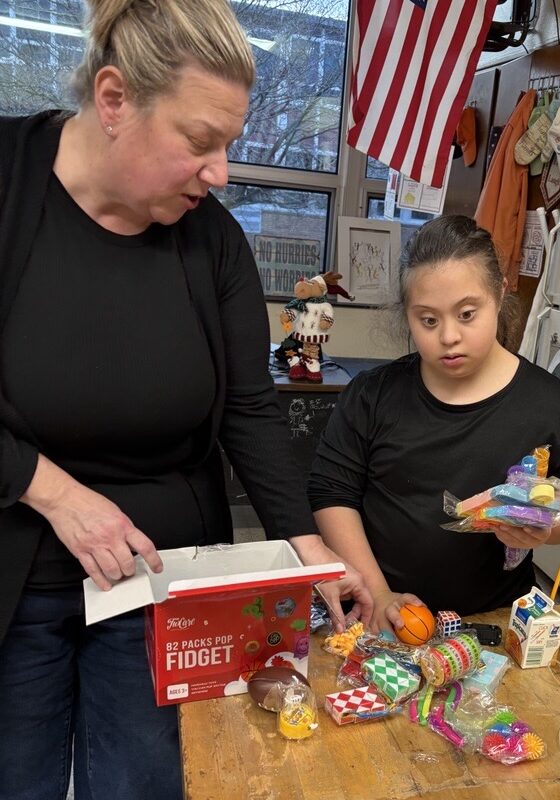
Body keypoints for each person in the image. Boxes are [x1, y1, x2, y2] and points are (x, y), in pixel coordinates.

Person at [0, 2, 371, 798]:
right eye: (200, 142)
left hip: (162, 581)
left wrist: (304, 543)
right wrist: (53, 492)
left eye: (229, 144)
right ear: (113, 99)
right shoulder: (6, 182)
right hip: (14, 571)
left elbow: (249, 410)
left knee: (145, 782)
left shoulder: (213, 241)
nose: (221, 172)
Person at [308, 215, 560, 633]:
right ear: (407, 314)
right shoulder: (373, 395)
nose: (448, 336)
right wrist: (378, 592)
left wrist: (545, 525)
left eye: (466, 314)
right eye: (428, 320)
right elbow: (331, 493)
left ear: (500, 294)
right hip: (381, 613)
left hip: (494, 621)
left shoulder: (549, 402)